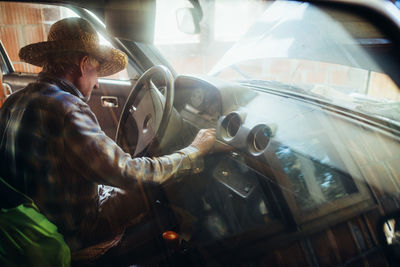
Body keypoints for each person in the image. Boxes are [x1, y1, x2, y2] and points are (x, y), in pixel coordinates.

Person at [0, 17, 216, 259]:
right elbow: (128, 173)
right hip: (72, 234)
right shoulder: (68, 110)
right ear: (83, 65)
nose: (98, 82)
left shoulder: (12, 102)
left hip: (25, 229)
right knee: (157, 192)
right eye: (96, 71)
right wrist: (192, 152)